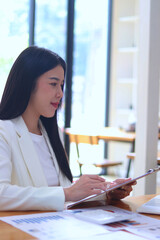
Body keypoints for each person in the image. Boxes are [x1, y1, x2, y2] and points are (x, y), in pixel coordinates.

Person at [0, 46, 135, 211]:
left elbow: (63, 192)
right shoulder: (4, 132)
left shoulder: (53, 132)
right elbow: (2, 194)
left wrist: (106, 193)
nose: (60, 93)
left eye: (61, 85)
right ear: (27, 83)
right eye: (53, 84)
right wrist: (67, 193)